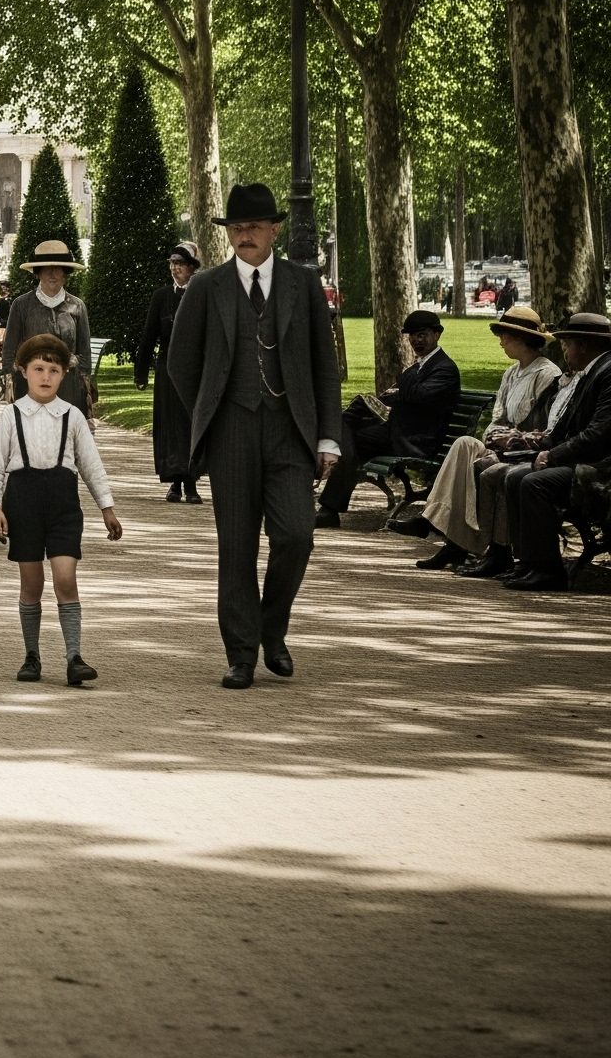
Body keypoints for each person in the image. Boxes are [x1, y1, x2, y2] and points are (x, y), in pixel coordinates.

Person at [163, 184, 341, 689]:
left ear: (274, 230)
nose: (244, 236)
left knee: (296, 536)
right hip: (231, 432)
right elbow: (181, 362)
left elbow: (325, 367)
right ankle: (241, 653)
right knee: (236, 546)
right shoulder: (206, 286)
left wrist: (328, 437)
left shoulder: (302, 284)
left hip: (290, 431)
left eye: (254, 227)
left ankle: (272, 627)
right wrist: (212, 406)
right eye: (236, 229)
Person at [0, 332, 121, 686]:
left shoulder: (72, 417)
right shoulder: (11, 416)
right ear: (23, 372)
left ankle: (74, 656)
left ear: (64, 375)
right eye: (38, 369)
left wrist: (107, 507)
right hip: (22, 504)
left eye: (54, 370)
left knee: (65, 579)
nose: (46, 377)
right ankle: (32, 656)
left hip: (63, 505)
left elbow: (91, 466)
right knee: (31, 584)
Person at [392, 305, 561, 568]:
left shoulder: (546, 374)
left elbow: (544, 428)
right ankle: (434, 525)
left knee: (484, 467)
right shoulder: (511, 373)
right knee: (464, 444)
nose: (501, 341)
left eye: (505, 335)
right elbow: (495, 422)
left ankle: (453, 543)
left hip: (525, 451)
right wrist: (498, 437)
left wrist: (504, 438)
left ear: (522, 339)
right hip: (502, 446)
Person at [481, 309, 611, 592]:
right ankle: (527, 562)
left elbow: (599, 434)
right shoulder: (590, 372)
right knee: (515, 476)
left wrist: (552, 455)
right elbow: (564, 429)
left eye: (567, 342)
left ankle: (548, 569)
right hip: (582, 461)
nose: (562, 347)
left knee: (534, 482)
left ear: (584, 345)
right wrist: (542, 445)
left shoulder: (607, 373)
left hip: (599, 469)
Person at [313, 309, 461, 527]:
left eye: (422, 335)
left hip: (414, 441)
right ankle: (329, 507)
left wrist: (402, 378)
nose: (416, 341)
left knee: (345, 432)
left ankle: (328, 501)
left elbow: (418, 396)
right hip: (397, 431)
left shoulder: (444, 369)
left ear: (437, 334)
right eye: (412, 336)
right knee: (347, 422)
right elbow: (404, 396)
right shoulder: (423, 366)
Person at [133, 241, 204, 503]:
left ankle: (192, 483)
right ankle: (174, 482)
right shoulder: (161, 296)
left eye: (180, 264)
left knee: (191, 426)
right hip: (167, 371)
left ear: (191, 268)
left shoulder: (201, 294)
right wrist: (141, 373)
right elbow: (149, 336)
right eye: (172, 264)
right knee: (170, 427)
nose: (175, 269)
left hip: (195, 373)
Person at [1, 240, 95, 414]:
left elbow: (85, 354)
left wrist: (84, 388)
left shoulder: (77, 306)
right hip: (30, 388)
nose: (52, 274)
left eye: (57, 268)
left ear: (65, 273)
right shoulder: (21, 305)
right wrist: (12, 382)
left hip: (68, 387)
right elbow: (9, 351)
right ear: (37, 273)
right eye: (46, 268)